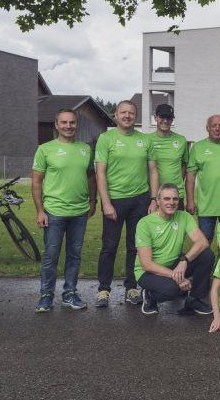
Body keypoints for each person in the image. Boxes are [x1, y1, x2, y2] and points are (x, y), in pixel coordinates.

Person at [31, 108, 95, 312]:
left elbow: (91, 176)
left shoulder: (85, 149)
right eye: (64, 123)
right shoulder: (45, 149)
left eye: (72, 123)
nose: (68, 126)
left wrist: (93, 201)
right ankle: (46, 296)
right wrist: (40, 211)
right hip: (54, 211)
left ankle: (69, 293)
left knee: (74, 255)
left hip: (79, 212)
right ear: (56, 125)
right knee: (51, 256)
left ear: (76, 125)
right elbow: (36, 182)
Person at [94, 100, 154, 308]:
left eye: (131, 113)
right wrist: (106, 203)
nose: (127, 116)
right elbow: (100, 173)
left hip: (140, 199)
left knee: (135, 247)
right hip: (115, 200)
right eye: (123, 112)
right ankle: (103, 289)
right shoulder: (106, 138)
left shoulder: (145, 140)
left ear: (135, 116)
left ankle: (132, 288)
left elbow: (153, 171)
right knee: (109, 246)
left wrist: (153, 199)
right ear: (115, 115)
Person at [135, 183, 215, 316]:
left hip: (175, 264)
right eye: (166, 199)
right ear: (158, 201)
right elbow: (146, 264)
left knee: (207, 255)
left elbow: (203, 242)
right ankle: (149, 295)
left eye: (175, 199)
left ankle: (195, 299)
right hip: (148, 272)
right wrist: (178, 278)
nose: (171, 203)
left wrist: (184, 260)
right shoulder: (145, 223)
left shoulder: (184, 216)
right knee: (171, 290)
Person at [186, 115, 220, 240]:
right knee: (205, 242)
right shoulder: (198, 147)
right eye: (214, 125)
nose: (217, 128)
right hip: (206, 207)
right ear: (207, 128)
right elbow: (190, 177)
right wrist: (190, 201)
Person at [147, 104, 189, 210]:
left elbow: (184, 165)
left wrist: (177, 181)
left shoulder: (181, 140)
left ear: (172, 119)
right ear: (155, 117)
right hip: (153, 194)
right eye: (162, 117)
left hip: (175, 194)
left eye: (169, 118)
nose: (165, 121)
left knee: (177, 226)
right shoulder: (147, 140)